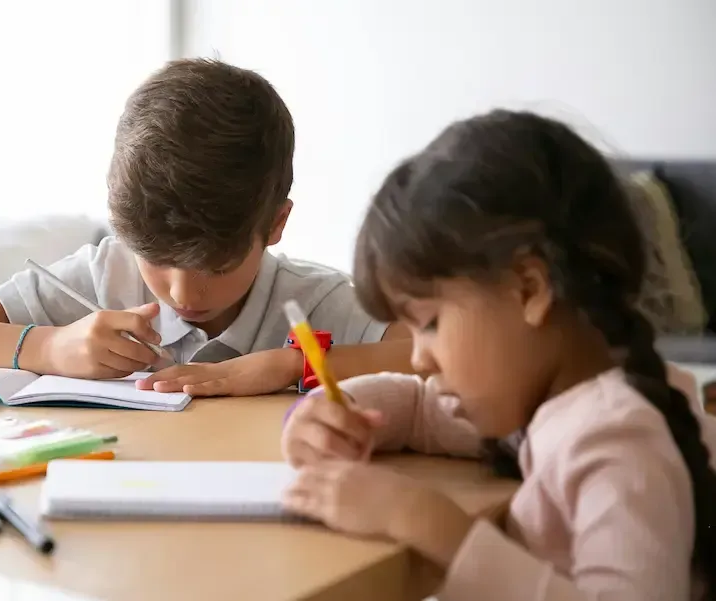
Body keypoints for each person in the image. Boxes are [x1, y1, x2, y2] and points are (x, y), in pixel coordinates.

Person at [280, 109, 716, 600]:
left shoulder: (616, 442)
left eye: (430, 323)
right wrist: (336, 413)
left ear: (528, 289)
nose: (420, 358)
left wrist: (430, 524)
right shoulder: (550, 407)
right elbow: (424, 409)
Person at [0, 58, 412, 397]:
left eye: (217, 266)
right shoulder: (102, 277)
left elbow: (433, 358)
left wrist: (288, 366)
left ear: (275, 225)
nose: (183, 293)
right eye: (155, 257)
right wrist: (46, 347)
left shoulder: (312, 302)